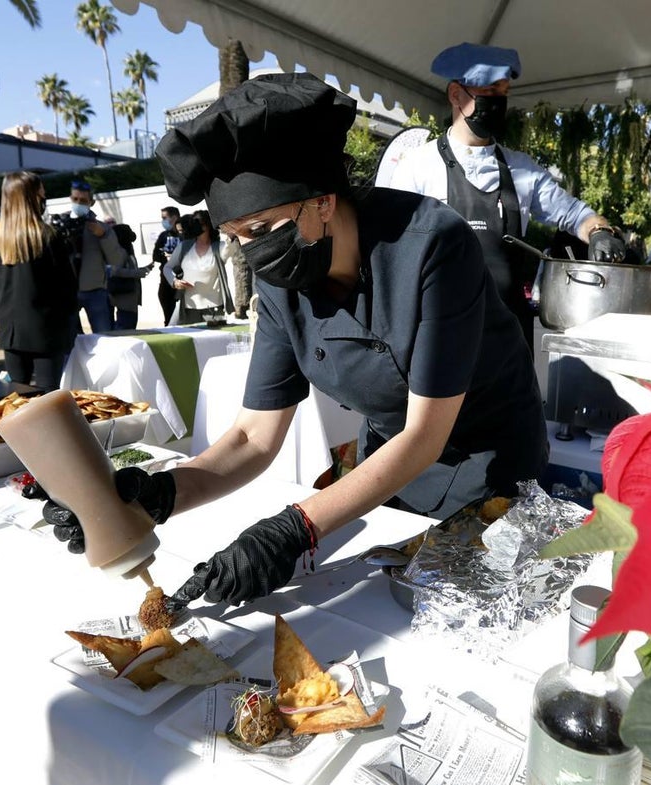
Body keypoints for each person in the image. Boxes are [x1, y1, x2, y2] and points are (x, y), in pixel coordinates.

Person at [38, 73, 547, 608]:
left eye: (263, 229)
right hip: (386, 471)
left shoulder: (432, 245)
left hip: (488, 462)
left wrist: (298, 527)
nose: (257, 253)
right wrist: (161, 495)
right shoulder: (282, 280)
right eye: (238, 240)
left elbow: (425, 434)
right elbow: (254, 437)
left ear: (323, 201)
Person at [389, 43, 626, 353]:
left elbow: (573, 214)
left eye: (503, 93)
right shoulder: (416, 166)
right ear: (455, 95)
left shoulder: (521, 169)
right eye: (488, 91)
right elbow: (392, 253)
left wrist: (599, 232)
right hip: (439, 338)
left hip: (508, 336)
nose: (498, 102)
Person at [0, 172, 79, 391]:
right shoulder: (47, 235)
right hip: (45, 327)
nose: (43, 197)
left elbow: (1, 279)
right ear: (31, 197)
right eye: (41, 193)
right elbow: (67, 287)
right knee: (48, 395)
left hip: (10, 327)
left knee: (17, 395)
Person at [61, 180, 126, 334]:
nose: (78, 203)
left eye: (83, 201)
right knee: (67, 340)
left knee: (103, 336)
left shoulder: (101, 228)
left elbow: (116, 260)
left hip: (95, 291)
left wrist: (103, 236)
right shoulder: (61, 225)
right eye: (75, 199)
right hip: (67, 292)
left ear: (91, 202)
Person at [163, 210, 234, 324]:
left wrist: (231, 232)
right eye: (194, 223)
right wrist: (175, 282)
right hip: (188, 306)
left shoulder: (219, 247)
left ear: (209, 226)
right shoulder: (184, 247)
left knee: (215, 340)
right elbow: (167, 268)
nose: (198, 227)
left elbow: (230, 247)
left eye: (201, 223)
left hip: (214, 307)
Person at [103, 218, 153, 330]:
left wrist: (145, 269)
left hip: (129, 296)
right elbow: (114, 270)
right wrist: (138, 273)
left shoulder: (127, 250)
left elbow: (129, 269)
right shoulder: (118, 251)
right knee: (124, 329)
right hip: (123, 296)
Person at [153, 205, 181, 326]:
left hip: (182, 280)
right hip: (166, 281)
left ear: (174, 217)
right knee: (169, 318)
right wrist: (166, 257)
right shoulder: (163, 236)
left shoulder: (184, 235)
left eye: (165, 217)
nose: (163, 221)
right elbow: (155, 256)